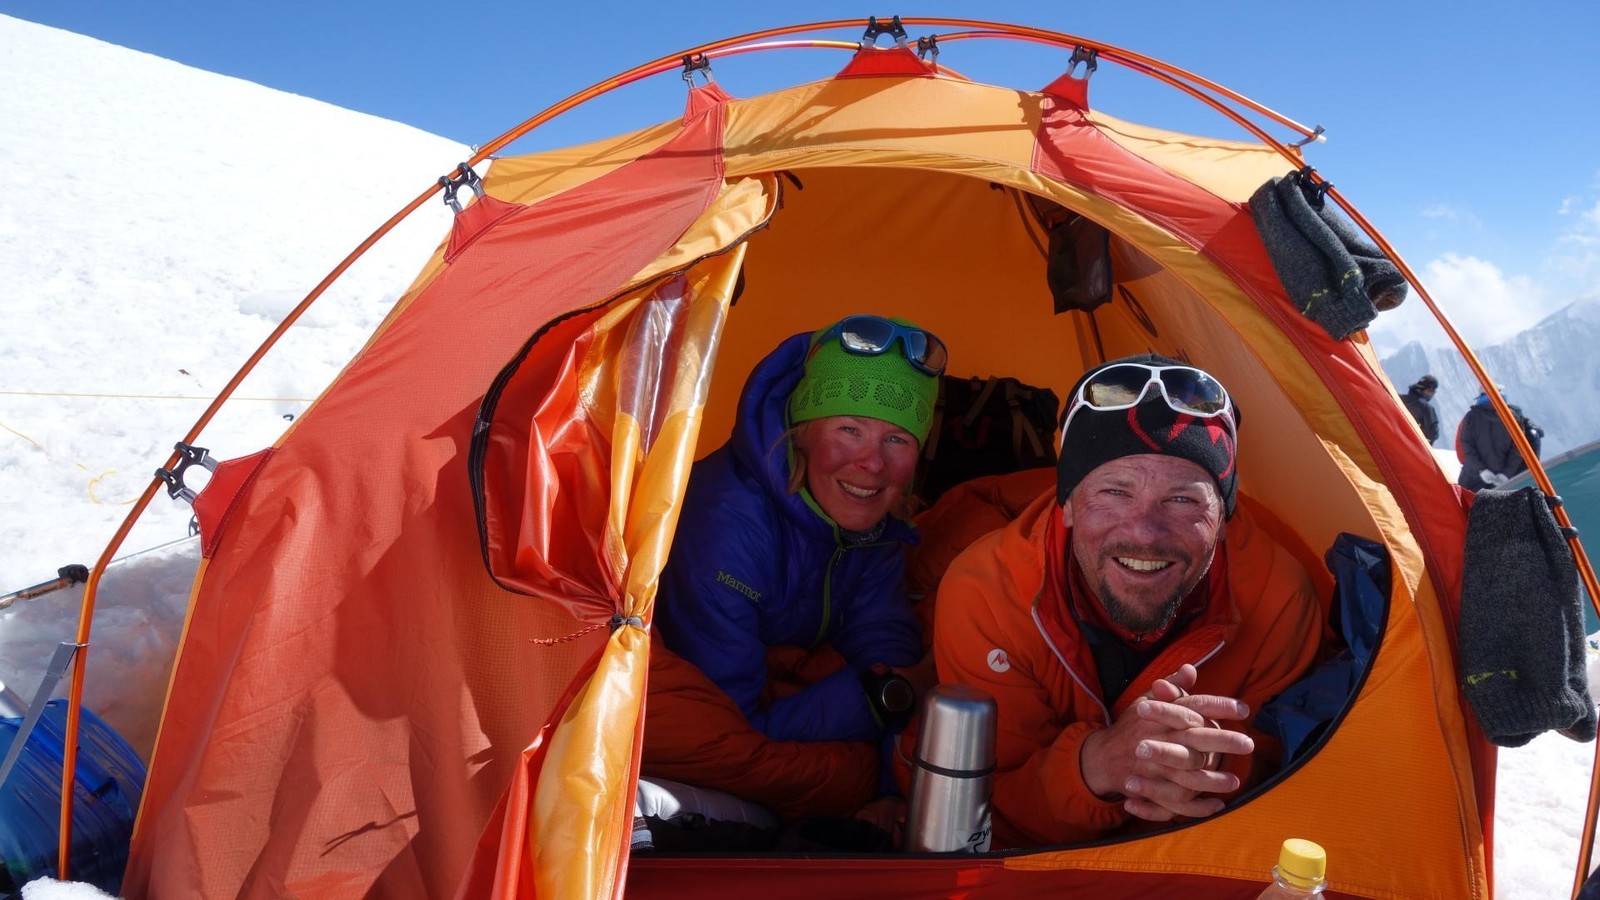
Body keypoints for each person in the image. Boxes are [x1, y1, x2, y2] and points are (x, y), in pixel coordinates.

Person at [930, 354, 1322, 848]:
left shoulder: (1278, 598)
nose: (1144, 532)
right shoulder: (987, 591)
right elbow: (983, 808)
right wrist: (1097, 764)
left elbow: (1280, 779)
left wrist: (1205, 765)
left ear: (1223, 514)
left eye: (1182, 500)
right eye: (1115, 491)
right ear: (1067, 504)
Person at [647, 314, 945, 838]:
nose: (872, 464)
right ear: (802, 434)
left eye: (897, 439)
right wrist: (885, 699)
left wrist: (891, 783)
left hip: (793, 705)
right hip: (711, 708)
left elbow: (886, 642)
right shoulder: (728, 524)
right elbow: (735, 725)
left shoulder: (875, 525)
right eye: (849, 429)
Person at [1456, 389, 1543, 491]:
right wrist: (1506, 474)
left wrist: (1480, 470)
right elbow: (1518, 449)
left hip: (1472, 479)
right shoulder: (1513, 417)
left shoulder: (1471, 416)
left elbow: (1465, 446)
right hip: (1504, 483)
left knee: (1467, 505)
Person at [1400, 374, 1440, 445]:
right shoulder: (1426, 408)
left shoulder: (1398, 399)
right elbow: (1433, 433)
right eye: (1431, 391)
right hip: (1410, 447)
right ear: (1427, 390)